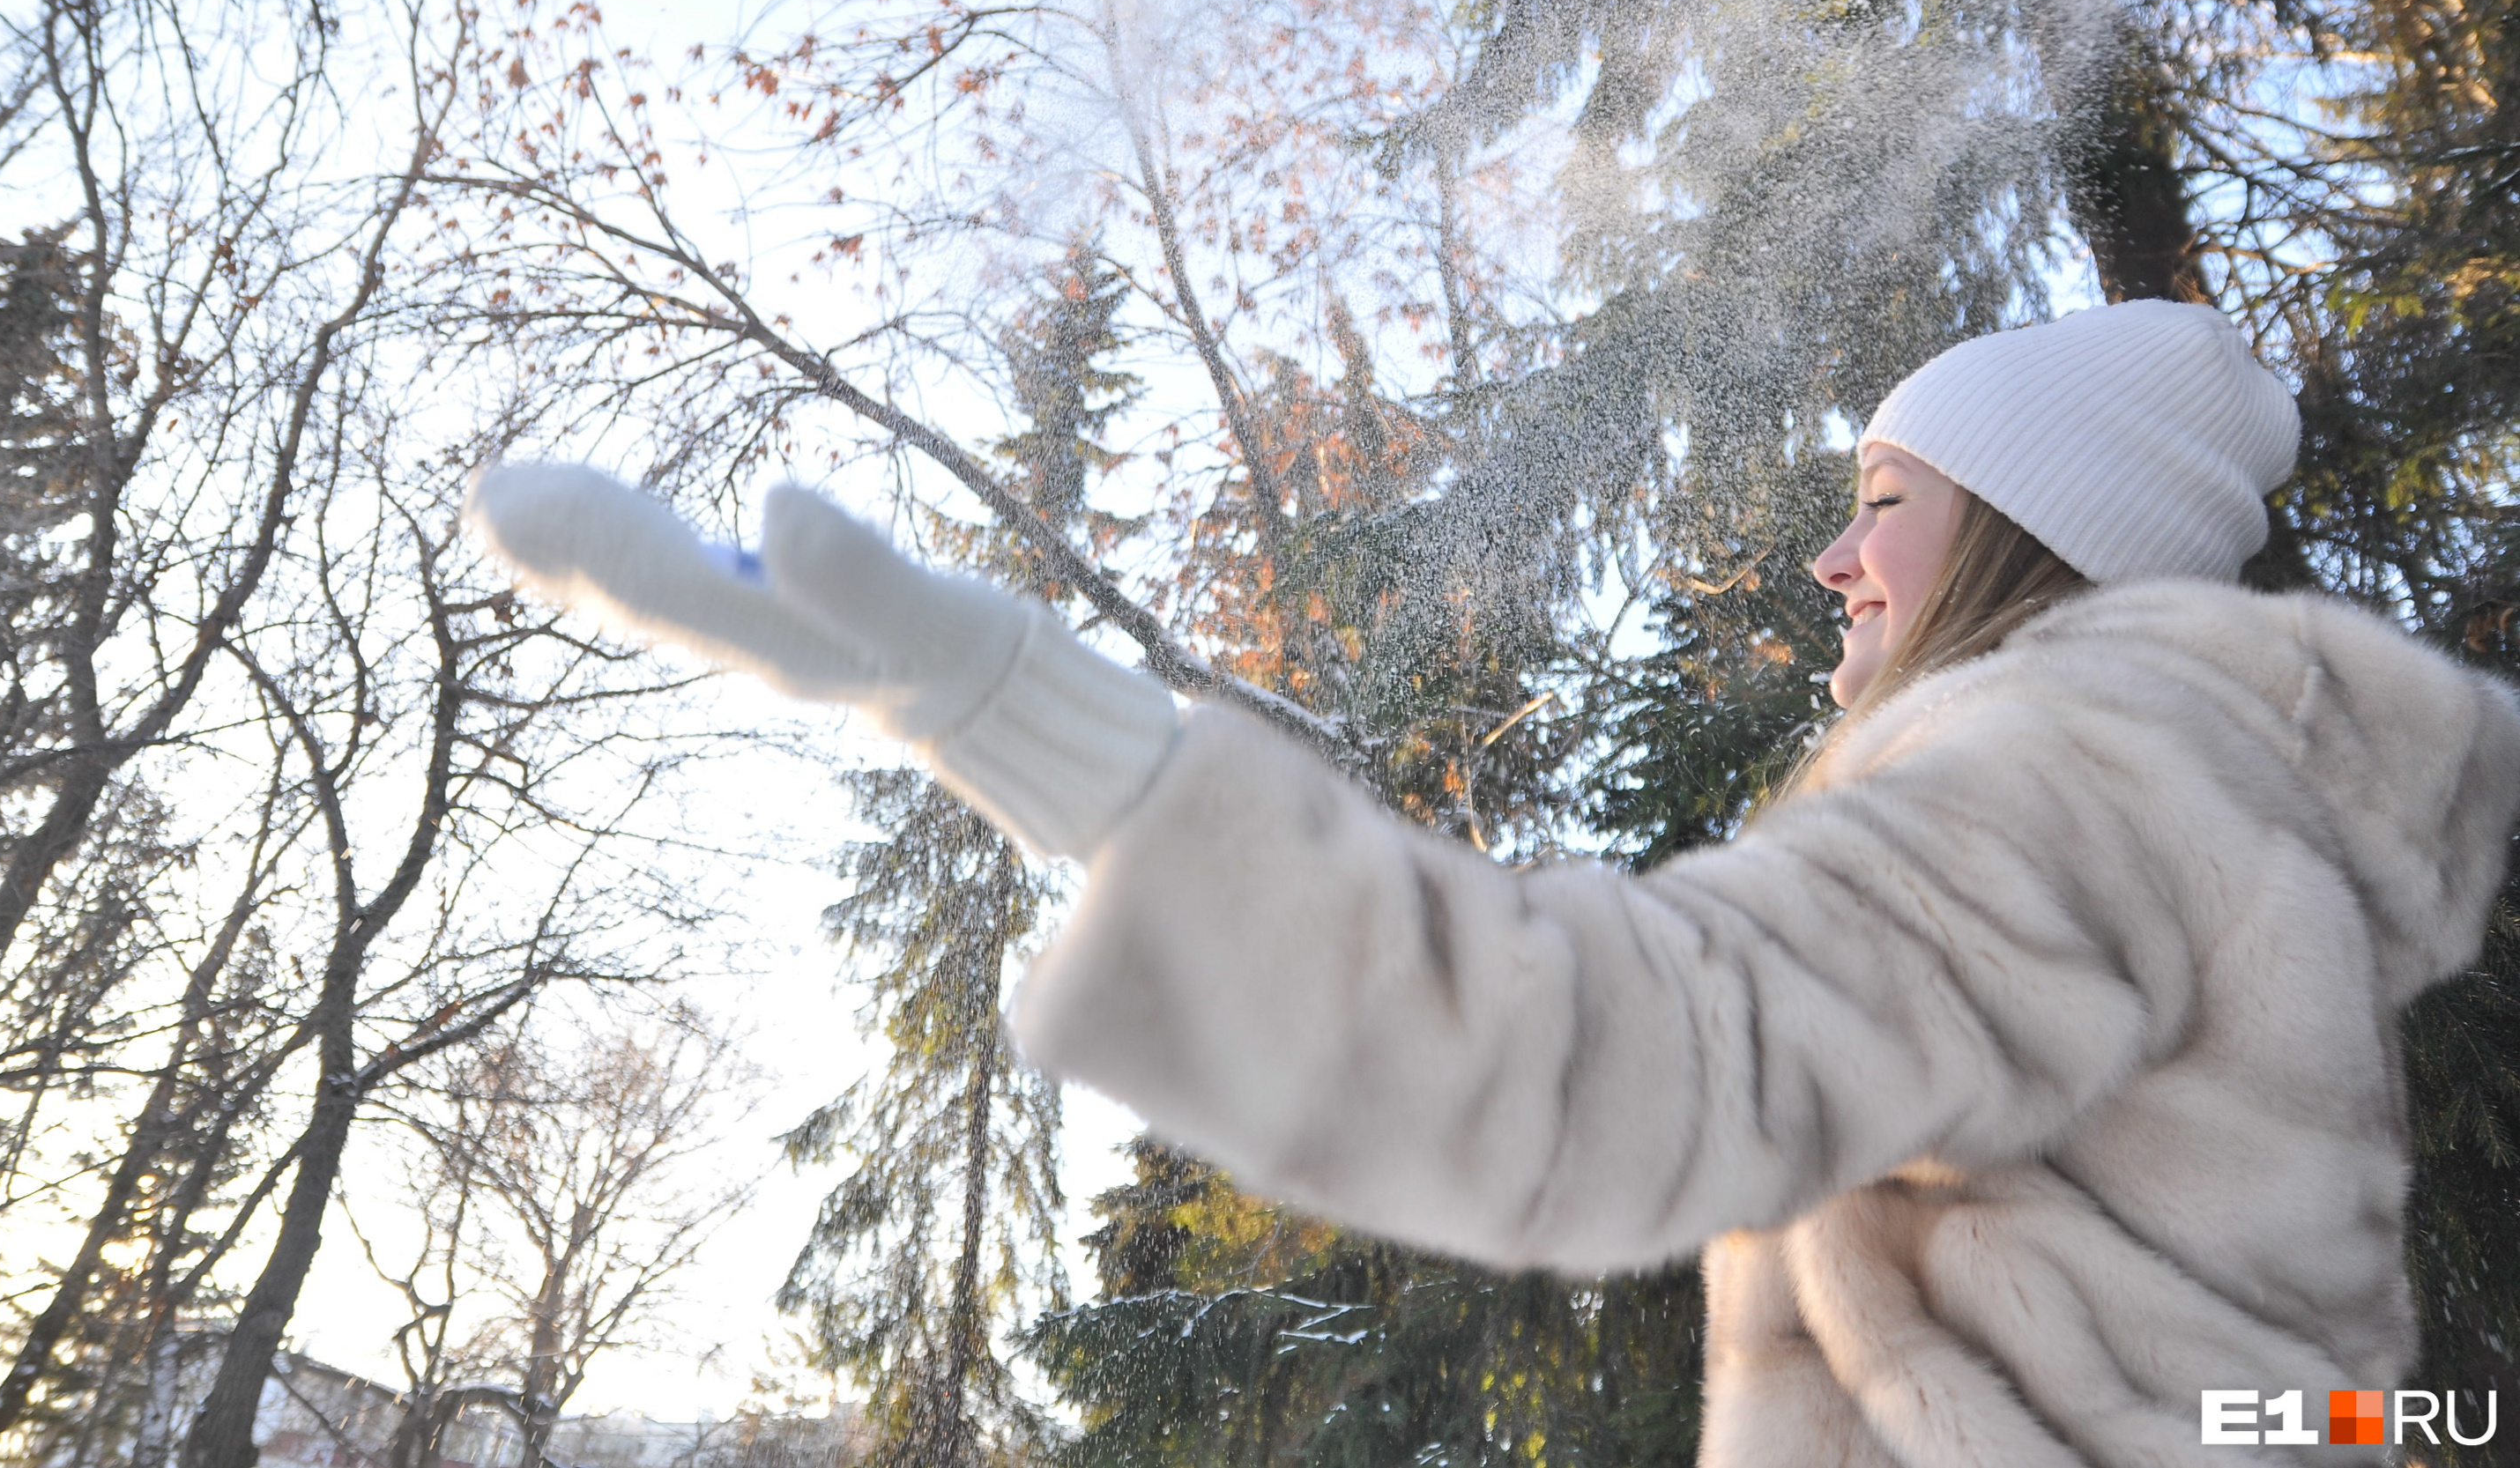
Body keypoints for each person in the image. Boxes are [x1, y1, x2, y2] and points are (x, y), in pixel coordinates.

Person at [466, 300, 2520, 1468]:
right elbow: (2340, 1395)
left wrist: (1028, 712)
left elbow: (1620, 1051)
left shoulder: (2078, 757)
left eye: (1885, 504)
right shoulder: (2210, 796)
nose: (1835, 558)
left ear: (2032, 541)